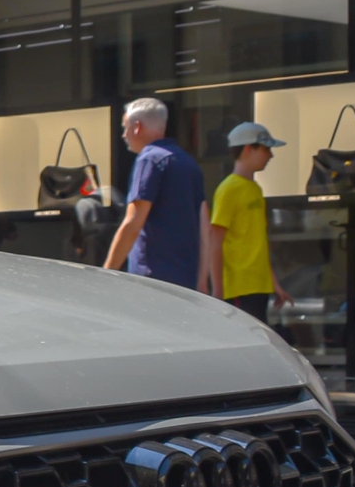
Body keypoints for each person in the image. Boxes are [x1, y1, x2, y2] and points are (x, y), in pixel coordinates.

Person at [101, 98, 210, 291]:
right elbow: (204, 226)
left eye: (125, 127)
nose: (124, 135)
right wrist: (202, 281)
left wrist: (107, 272)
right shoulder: (189, 163)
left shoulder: (149, 159)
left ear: (137, 127)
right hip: (186, 279)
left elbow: (133, 223)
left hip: (152, 280)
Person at [206, 122, 292, 324]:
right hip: (238, 287)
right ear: (248, 148)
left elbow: (257, 242)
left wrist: (274, 284)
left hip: (258, 286)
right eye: (266, 149)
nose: (270, 155)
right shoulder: (228, 189)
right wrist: (218, 291)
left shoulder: (255, 189)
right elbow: (215, 241)